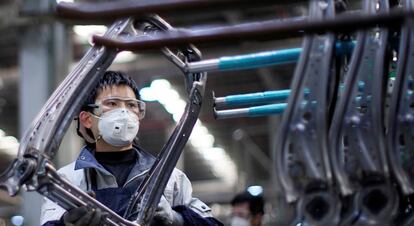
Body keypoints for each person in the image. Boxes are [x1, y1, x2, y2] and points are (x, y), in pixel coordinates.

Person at [40, 71, 222, 226]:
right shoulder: (68, 180)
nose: (124, 112)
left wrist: (177, 219)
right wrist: (66, 223)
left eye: (131, 105)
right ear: (87, 119)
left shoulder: (169, 179)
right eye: (112, 104)